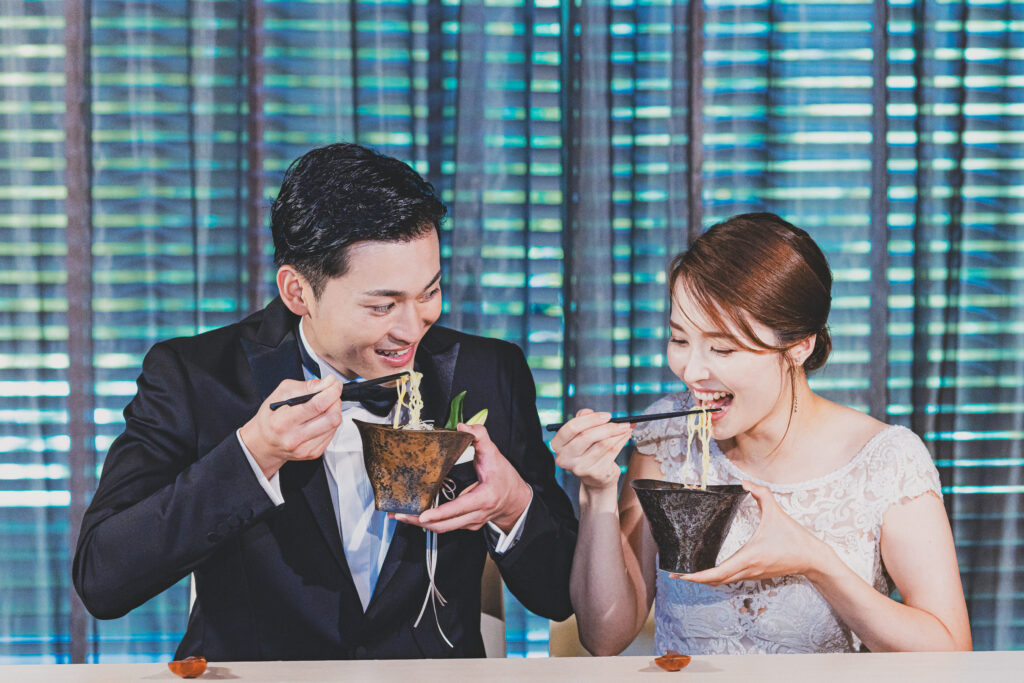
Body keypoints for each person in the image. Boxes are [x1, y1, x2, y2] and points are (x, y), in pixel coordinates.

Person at [73, 143, 578, 660]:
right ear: (298, 292)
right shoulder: (196, 376)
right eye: (382, 306)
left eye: (429, 293)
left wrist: (513, 506)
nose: (412, 329)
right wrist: (252, 455)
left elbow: (560, 596)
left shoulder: (487, 371)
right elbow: (102, 580)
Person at [552, 213, 971, 655]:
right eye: (679, 340)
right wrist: (597, 491)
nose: (691, 372)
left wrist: (817, 562)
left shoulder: (886, 461)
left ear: (799, 346)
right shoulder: (668, 436)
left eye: (722, 348)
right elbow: (604, 637)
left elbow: (950, 652)